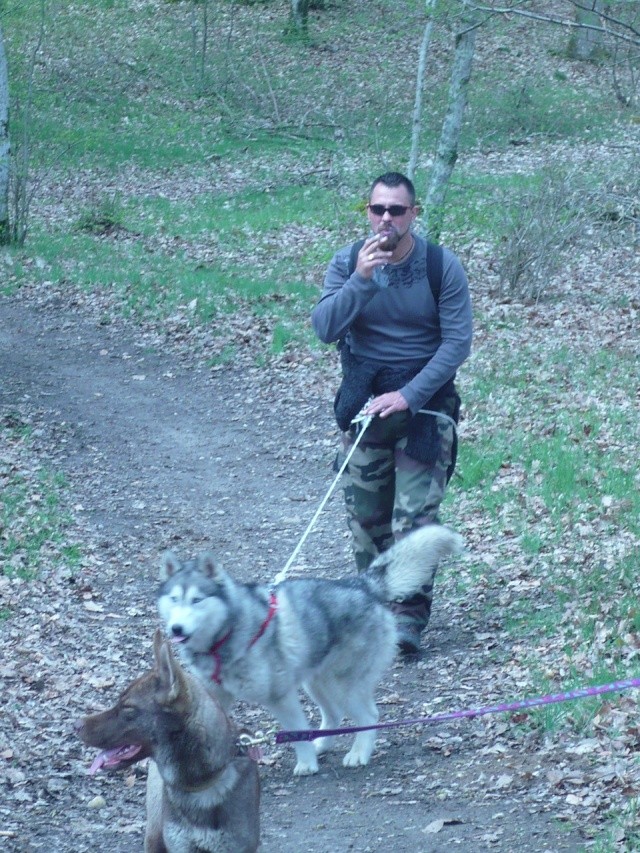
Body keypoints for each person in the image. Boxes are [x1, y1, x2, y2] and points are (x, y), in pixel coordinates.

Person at [311, 171, 472, 656]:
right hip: (365, 401)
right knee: (366, 518)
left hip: (426, 404)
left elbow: (457, 342)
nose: (386, 219)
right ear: (368, 212)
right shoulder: (347, 262)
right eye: (378, 209)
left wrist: (411, 394)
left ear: (413, 215)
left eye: (396, 211)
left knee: (414, 520)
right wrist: (361, 280)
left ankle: (407, 618)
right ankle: (371, 611)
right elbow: (324, 327)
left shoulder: (441, 266)